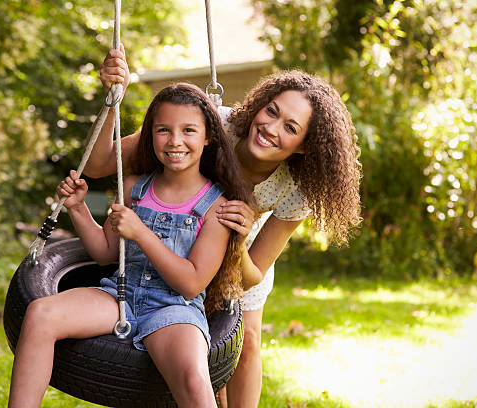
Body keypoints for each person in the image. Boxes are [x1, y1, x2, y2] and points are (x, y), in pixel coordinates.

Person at [86, 46, 362, 407]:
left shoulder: (296, 189)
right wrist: (111, 98)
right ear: (260, 104)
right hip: (174, 239)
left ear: (304, 147)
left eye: (290, 127)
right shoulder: (214, 126)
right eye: (272, 111)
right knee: (206, 351)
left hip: (238, 256)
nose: (270, 127)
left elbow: (252, 275)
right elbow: (97, 165)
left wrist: (241, 239)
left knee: (245, 343)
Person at [7, 83, 254, 408]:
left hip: (174, 308)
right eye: (163, 130)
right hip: (120, 296)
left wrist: (141, 233)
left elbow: (191, 283)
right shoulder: (134, 187)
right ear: (150, 135)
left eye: (188, 130)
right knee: (41, 313)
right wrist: (78, 209)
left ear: (207, 137)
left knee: (194, 378)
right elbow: (106, 252)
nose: (175, 141)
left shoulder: (216, 207)